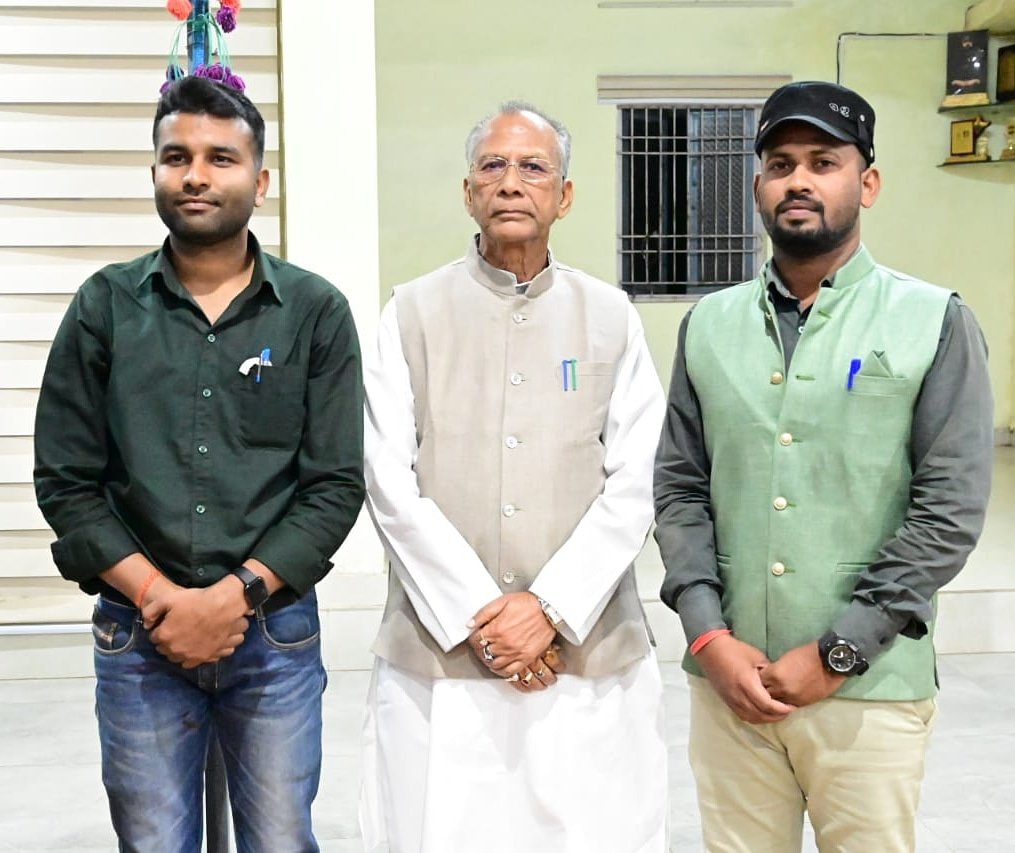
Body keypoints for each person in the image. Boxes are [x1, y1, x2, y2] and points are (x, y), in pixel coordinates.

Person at [653, 80, 993, 852]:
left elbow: (947, 511)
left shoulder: (932, 320)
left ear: (865, 183)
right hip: (730, 687)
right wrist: (708, 636)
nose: (798, 180)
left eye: (822, 162)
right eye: (779, 164)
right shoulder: (708, 324)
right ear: (757, 189)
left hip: (868, 689)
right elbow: (678, 488)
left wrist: (840, 650)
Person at [33, 76, 365, 851]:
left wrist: (235, 595)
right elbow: (66, 481)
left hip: (274, 633)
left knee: (279, 839)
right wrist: (161, 598)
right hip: (137, 636)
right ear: (154, 171)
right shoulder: (104, 306)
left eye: (221, 157)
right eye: (176, 156)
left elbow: (333, 484)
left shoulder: (314, 312)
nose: (195, 175)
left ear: (260, 179)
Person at [359, 101, 668, 852]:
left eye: (533, 167)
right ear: (468, 191)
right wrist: (484, 617)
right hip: (440, 654)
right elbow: (387, 480)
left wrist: (549, 609)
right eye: (492, 166)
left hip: (587, 650)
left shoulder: (610, 315)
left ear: (565, 195)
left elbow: (638, 478)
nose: (510, 182)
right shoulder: (410, 313)